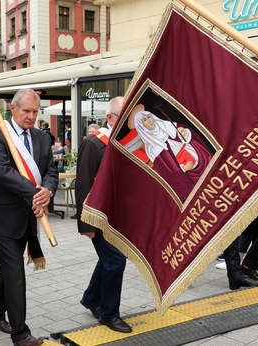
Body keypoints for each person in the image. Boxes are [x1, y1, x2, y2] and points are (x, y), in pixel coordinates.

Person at [0, 89, 58, 346]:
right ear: (13, 109)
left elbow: (51, 169)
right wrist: (37, 193)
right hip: (2, 216)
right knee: (14, 273)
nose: (32, 117)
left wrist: (48, 190)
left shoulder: (42, 138)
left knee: (9, 269)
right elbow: (1, 171)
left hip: (28, 215)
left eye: (36, 112)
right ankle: (20, 333)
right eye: (27, 111)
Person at [75, 96, 133, 334]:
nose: (130, 121)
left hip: (121, 216)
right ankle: (109, 313)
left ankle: (91, 297)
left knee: (109, 260)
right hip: (98, 216)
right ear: (110, 117)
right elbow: (84, 183)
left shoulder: (129, 141)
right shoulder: (94, 142)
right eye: (124, 116)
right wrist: (85, 223)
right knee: (116, 261)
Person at [133, 109, 212, 201]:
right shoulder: (152, 148)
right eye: (145, 120)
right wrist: (183, 169)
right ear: (141, 126)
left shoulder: (168, 125)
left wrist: (185, 133)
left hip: (201, 160)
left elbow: (192, 137)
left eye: (149, 117)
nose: (149, 120)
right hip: (188, 174)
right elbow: (167, 173)